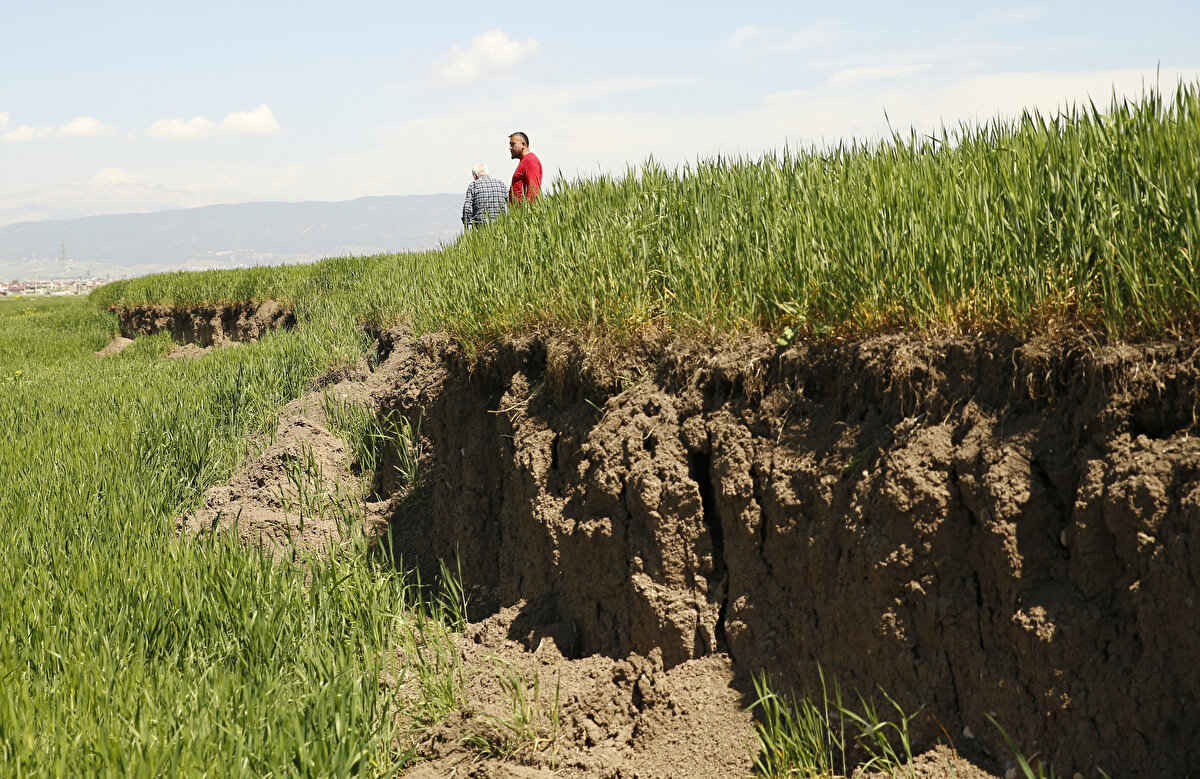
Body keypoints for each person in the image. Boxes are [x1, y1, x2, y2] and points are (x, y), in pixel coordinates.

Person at [461, 163, 507, 228]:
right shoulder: (501, 184)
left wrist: (466, 224)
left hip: (480, 226)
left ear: (475, 176)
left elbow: (467, 208)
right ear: (487, 173)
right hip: (500, 225)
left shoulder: (473, 185)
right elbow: (511, 202)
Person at [508, 131, 542, 204]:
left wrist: (528, 213)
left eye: (513, 144)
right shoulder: (524, 161)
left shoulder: (530, 161)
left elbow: (533, 190)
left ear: (523, 144)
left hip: (523, 212)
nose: (510, 148)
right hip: (517, 211)